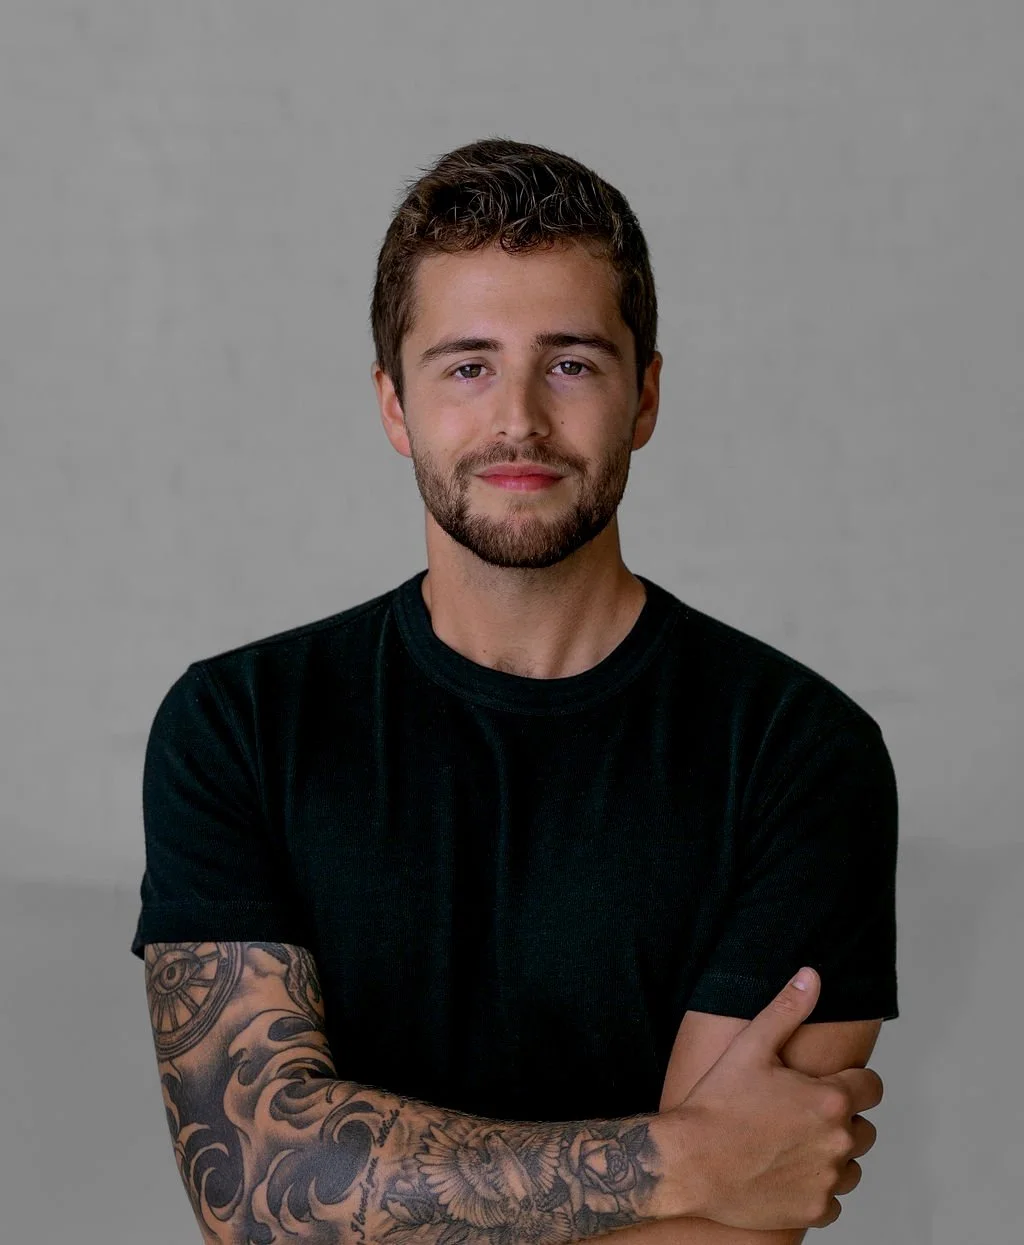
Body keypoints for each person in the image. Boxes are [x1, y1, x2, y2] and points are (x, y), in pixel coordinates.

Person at [131, 137, 897, 1245]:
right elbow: (258, 1186)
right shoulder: (239, 726)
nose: (520, 422)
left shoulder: (796, 750)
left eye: (573, 362)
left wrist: (379, 1185)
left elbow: (736, 1218)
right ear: (395, 407)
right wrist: (677, 1156)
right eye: (467, 365)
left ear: (645, 397)